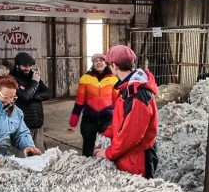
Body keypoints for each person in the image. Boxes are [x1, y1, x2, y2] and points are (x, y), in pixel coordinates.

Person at [93, 45, 159, 179]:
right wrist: (105, 134)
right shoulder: (127, 88)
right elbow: (121, 121)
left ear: (114, 66)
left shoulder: (137, 94)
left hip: (136, 159)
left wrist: (108, 153)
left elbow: (130, 135)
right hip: (127, 154)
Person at [67, 53, 118, 157]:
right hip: (89, 119)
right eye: (96, 61)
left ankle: (104, 169)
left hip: (107, 118)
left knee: (106, 145)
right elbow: (79, 101)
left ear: (106, 63)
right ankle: (86, 166)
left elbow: (117, 102)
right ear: (93, 63)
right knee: (88, 146)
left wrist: (120, 119)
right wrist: (73, 123)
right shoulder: (85, 78)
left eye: (101, 60)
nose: (98, 62)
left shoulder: (114, 79)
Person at [9, 52, 51, 151]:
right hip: (23, 126)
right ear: (17, 65)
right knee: (23, 157)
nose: (28, 68)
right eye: (24, 66)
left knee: (40, 155)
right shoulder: (11, 79)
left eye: (30, 66)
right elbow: (25, 96)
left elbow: (48, 93)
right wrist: (34, 83)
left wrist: (33, 95)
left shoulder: (32, 76)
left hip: (37, 124)